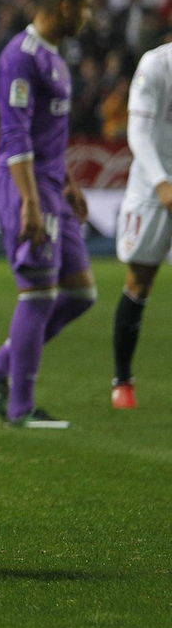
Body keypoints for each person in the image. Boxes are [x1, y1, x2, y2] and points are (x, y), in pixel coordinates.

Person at [0, 0, 97, 428]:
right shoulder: (19, 58)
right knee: (39, 292)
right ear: (64, 5)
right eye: (85, 6)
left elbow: (48, 133)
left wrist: (67, 182)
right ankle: (20, 408)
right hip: (24, 186)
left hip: (52, 184)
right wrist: (30, 202)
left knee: (81, 293)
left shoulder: (55, 57)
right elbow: (16, 133)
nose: (89, 16)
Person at [109, 38, 172, 409]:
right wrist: (162, 182)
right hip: (153, 186)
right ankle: (123, 381)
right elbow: (138, 133)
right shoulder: (156, 65)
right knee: (140, 281)